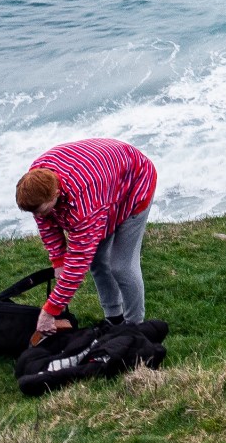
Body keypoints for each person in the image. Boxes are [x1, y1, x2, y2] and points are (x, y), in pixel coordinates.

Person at [16, 138, 157, 341]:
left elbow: (78, 261)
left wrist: (50, 311)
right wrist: (58, 260)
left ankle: (136, 328)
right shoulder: (36, 183)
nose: (38, 217)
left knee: (121, 265)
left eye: (41, 211)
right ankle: (114, 320)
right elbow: (47, 223)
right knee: (99, 261)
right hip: (106, 182)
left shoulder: (84, 203)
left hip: (135, 182)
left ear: (55, 194)